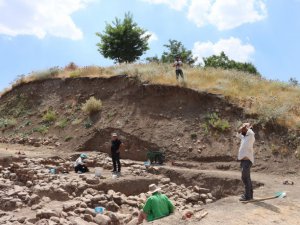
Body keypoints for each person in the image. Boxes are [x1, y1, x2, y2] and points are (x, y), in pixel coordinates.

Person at [237, 123, 255, 201]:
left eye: (244, 128)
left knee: (245, 178)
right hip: (243, 161)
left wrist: (246, 127)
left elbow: (251, 132)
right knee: (246, 178)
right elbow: (238, 134)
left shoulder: (251, 136)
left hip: (247, 161)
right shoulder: (244, 137)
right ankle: (249, 195)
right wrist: (241, 128)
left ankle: (247, 196)